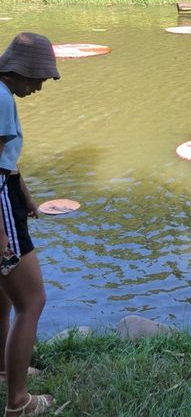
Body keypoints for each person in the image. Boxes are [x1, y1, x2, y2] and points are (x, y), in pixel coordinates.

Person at [0, 33, 60, 416]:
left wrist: (26, 195)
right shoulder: (3, 100)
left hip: (7, 193)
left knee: (3, 297)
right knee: (32, 301)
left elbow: (5, 160)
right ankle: (19, 402)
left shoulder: (1, 92)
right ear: (22, 71)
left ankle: (5, 371)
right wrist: (2, 232)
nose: (39, 87)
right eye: (38, 78)